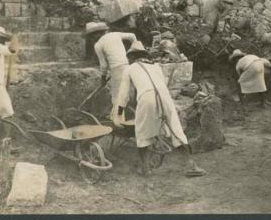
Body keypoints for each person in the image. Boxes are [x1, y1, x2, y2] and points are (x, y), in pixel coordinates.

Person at [113, 40, 206, 177]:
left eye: (129, 58)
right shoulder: (156, 66)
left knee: (142, 133)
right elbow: (159, 84)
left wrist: (119, 114)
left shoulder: (129, 69)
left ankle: (145, 169)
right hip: (165, 97)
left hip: (147, 98)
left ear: (132, 57)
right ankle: (191, 166)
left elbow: (123, 94)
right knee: (176, 130)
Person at [83, 22, 137, 118]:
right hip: (127, 66)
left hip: (116, 69)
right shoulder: (115, 34)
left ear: (97, 33)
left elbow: (103, 65)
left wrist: (103, 78)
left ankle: (119, 120)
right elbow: (132, 36)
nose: (92, 39)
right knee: (123, 93)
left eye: (92, 36)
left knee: (117, 97)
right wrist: (134, 50)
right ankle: (118, 116)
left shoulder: (98, 45)